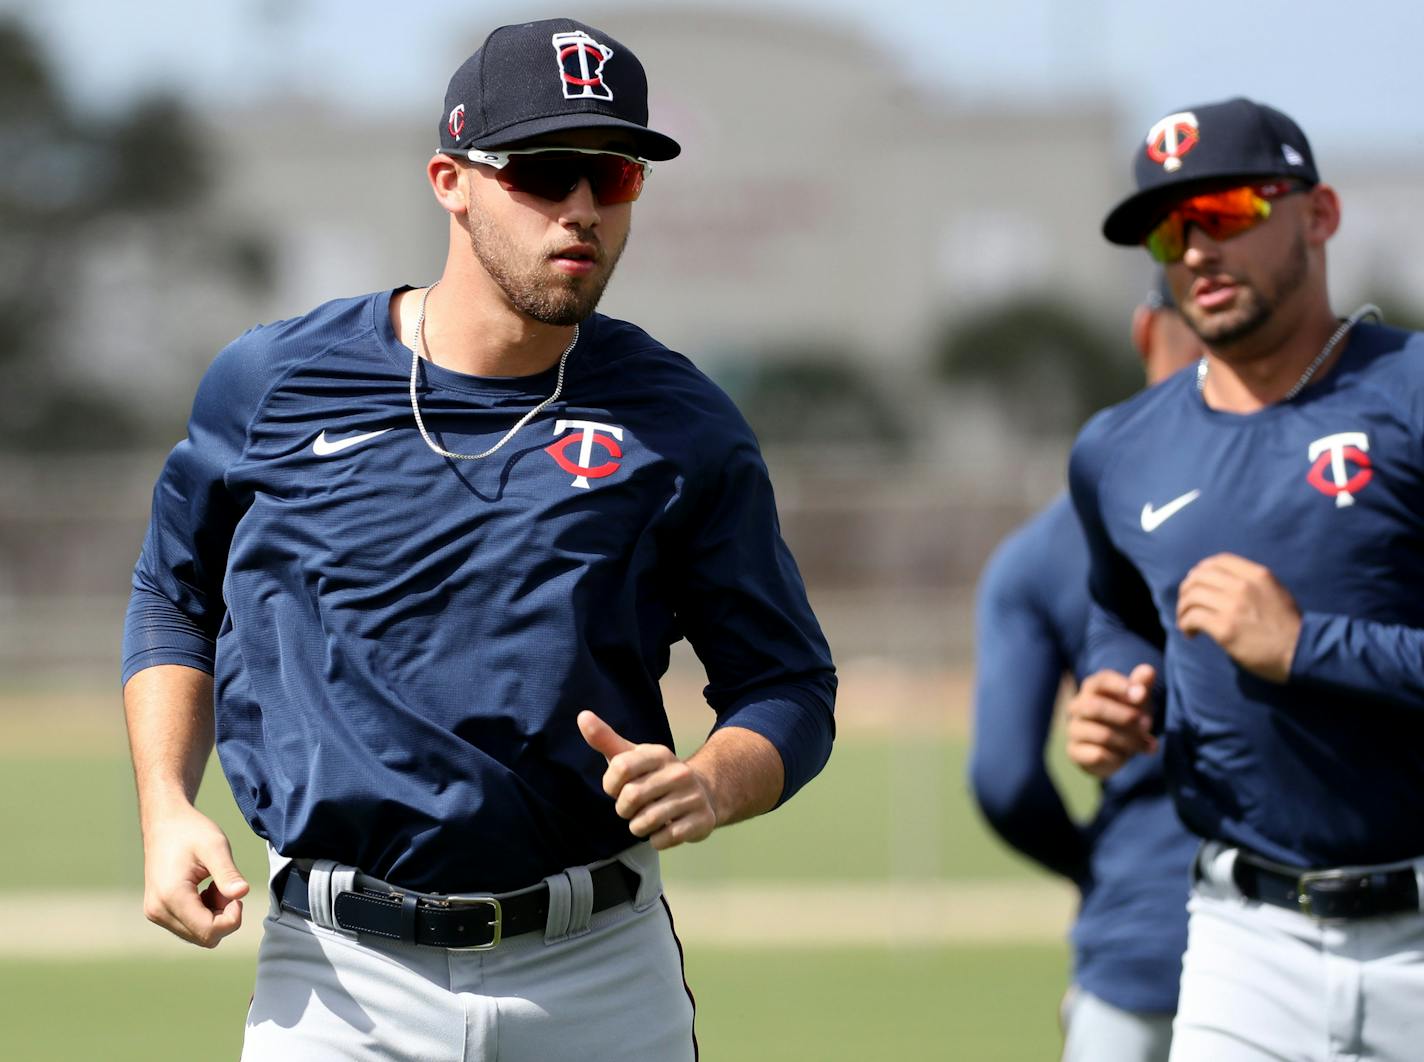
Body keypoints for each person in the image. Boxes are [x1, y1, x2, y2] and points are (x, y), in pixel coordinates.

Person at [120, 18, 836, 1061]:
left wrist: (712, 781)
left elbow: (788, 684)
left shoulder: (680, 421)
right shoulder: (270, 385)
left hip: (596, 973)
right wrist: (165, 809)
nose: (582, 208)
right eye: (544, 171)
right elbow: (175, 599)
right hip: (339, 981)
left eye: (612, 174)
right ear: (450, 180)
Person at [1064, 96, 1424, 1061]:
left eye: (1226, 213)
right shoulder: (1118, 448)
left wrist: (1308, 646)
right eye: (1168, 231)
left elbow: (1288, 643)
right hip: (1241, 936)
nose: (1194, 251)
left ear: (1320, 213)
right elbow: (1122, 614)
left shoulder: (1412, 392)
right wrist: (1113, 688)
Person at [970, 275, 1202, 1062]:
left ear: (1145, 332)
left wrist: (1097, 866)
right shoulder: (1325, 499)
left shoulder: (1041, 549)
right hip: (1326, 933)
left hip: (1139, 939)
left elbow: (1002, 779)